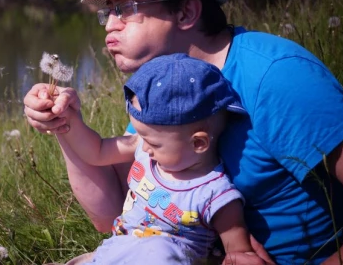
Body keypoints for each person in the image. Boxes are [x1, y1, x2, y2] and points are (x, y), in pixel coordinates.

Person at [24, 0, 343, 265]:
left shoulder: (275, 77)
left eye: (125, 8)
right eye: (108, 11)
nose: (109, 24)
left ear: (186, 13)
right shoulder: (164, 84)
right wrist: (65, 125)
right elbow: (111, 215)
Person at [57, 53, 264, 265]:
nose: (144, 147)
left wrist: (244, 258)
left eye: (154, 143)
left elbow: (238, 251)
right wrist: (68, 120)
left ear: (198, 144)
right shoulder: (144, 149)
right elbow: (97, 150)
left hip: (165, 259)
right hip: (117, 252)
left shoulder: (215, 196)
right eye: (141, 137)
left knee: (159, 251)